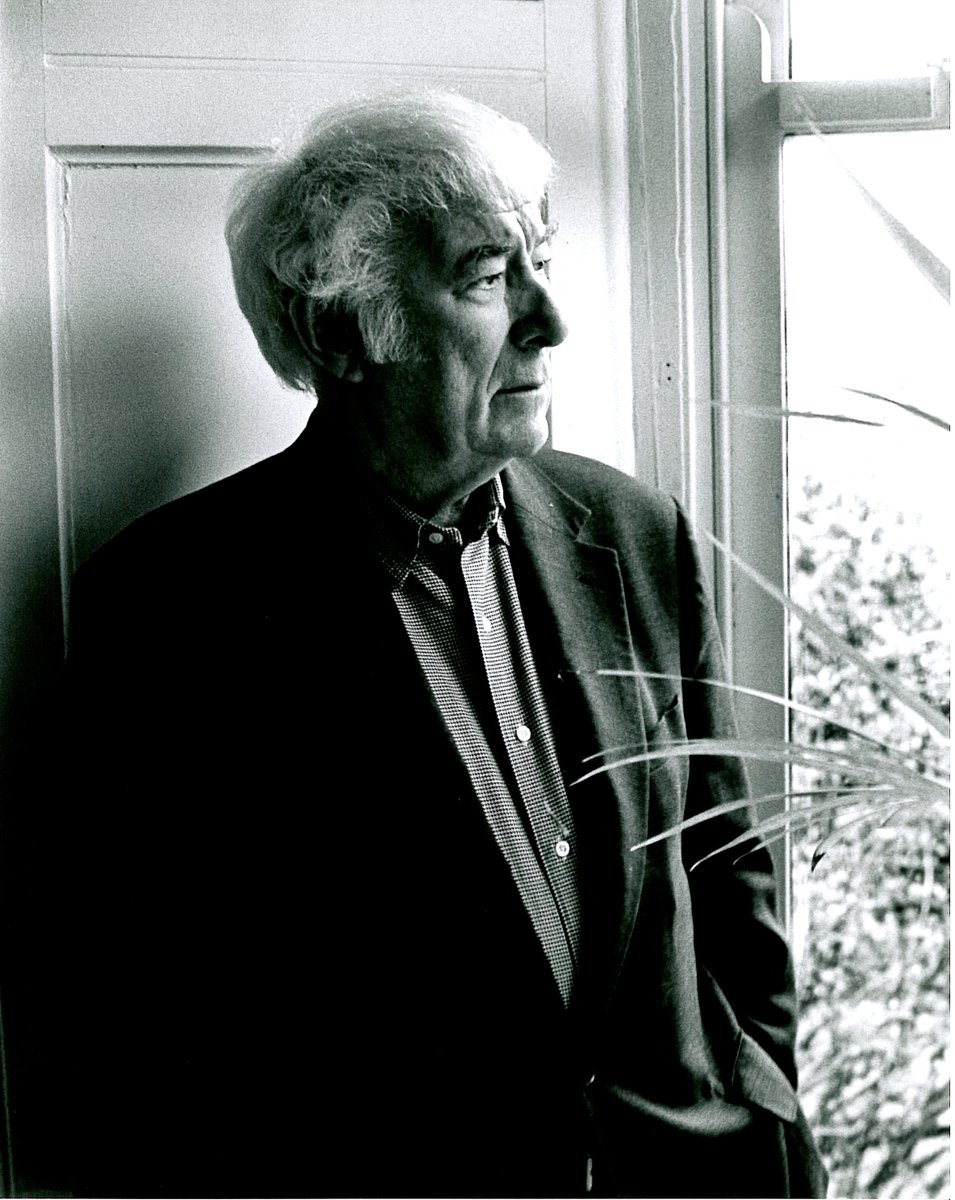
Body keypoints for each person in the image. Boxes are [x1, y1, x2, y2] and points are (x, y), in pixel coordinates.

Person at [61, 92, 826, 1198]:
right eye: (487, 277)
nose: (550, 320)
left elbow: (723, 868)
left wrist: (771, 1107)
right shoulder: (173, 608)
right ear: (343, 334)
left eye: (541, 262)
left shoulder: (631, 532)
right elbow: (152, 1025)